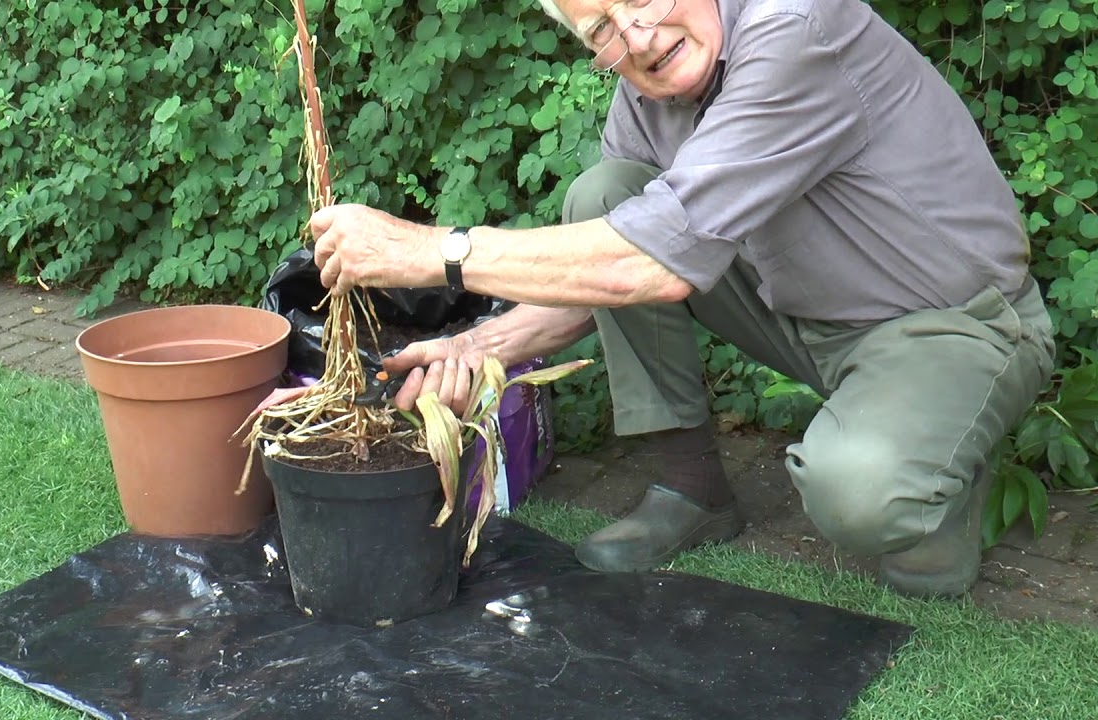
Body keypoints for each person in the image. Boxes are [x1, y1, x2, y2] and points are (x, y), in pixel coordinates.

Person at [307, 0, 1057, 597]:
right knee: (606, 195)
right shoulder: (645, 102)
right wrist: (478, 346)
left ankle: (936, 474)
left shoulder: (797, 26)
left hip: (954, 324)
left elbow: (647, 264)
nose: (636, 34)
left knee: (861, 492)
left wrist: (433, 251)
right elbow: (609, 273)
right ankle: (691, 490)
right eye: (600, 28)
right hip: (809, 318)